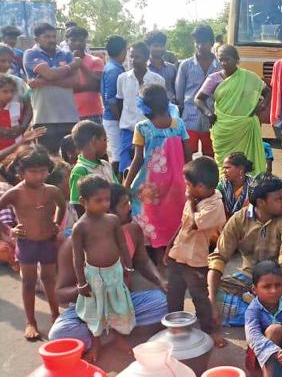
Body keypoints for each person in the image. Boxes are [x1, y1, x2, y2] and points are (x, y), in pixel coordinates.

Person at [49, 184, 168, 357]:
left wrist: (160, 280)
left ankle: (108, 331)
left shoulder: (133, 229)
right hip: (87, 308)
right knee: (58, 335)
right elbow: (60, 293)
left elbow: (142, 261)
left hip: (122, 301)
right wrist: (90, 287)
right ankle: (110, 332)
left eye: (129, 202)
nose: (130, 208)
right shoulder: (74, 242)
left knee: (162, 302)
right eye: (124, 204)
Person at [208, 174, 282, 327]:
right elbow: (218, 258)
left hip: (281, 281)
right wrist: (211, 300)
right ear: (261, 202)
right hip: (248, 278)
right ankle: (268, 318)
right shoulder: (239, 218)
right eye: (279, 199)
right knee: (207, 293)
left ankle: (258, 315)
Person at [0, 145, 66, 340]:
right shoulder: (15, 193)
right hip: (27, 244)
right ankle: (31, 321)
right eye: (33, 171)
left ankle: (56, 315)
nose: (39, 176)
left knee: (49, 280)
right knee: (28, 282)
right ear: (21, 172)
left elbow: (61, 206)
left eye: (43, 170)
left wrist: (56, 223)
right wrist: (9, 231)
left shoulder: (52, 191)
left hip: (47, 241)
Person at [164, 156, 227, 347]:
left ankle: (210, 331)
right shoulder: (195, 196)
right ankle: (174, 327)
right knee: (173, 293)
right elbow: (183, 223)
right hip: (179, 254)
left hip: (196, 260)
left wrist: (191, 201)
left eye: (189, 185)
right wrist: (171, 243)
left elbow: (192, 224)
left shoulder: (215, 205)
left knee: (200, 297)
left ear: (200, 186)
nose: (186, 188)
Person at [124, 84, 191, 263]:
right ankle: (172, 251)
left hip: (151, 183)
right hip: (177, 181)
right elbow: (188, 154)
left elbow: (138, 159)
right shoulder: (178, 124)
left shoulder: (142, 127)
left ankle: (153, 250)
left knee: (146, 211)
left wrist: (126, 184)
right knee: (174, 214)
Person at [72, 176, 136, 360]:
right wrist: (81, 283)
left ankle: (118, 339)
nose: (104, 204)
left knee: (119, 308)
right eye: (98, 200)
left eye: (107, 199)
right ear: (83, 201)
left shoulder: (112, 220)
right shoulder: (80, 227)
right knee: (95, 312)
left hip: (115, 273)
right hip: (94, 276)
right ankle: (96, 345)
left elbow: (122, 246)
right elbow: (77, 258)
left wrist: (128, 269)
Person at [195, 44, 267, 174]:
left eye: (227, 59)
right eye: (220, 59)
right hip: (223, 129)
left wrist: (261, 106)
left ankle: (247, 192)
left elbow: (267, 91)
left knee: (246, 166)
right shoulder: (214, 78)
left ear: (236, 60)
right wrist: (209, 113)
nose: (223, 63)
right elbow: (198, 99)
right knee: (224, 168)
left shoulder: (249, 77)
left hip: (246, 127)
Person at [23, 22, 80, 154]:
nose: (52, 40)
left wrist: (44, 81)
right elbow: (49, 74)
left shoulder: (66, 54)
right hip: (44, 118)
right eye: (47, 37)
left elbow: (75, 81)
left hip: (69, 116)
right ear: (37, 39)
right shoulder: (31, 54)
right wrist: (70, 67)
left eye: (54, 36)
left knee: (71, 158)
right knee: (48, 160)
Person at [115, 42, 166, 174]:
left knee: (151, 169)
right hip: (128, 131)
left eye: (136, 57)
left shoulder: (157, 80)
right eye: (131, 56)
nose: (132, 60)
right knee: (125, 169)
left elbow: (161, 107)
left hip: (150, 132)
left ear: (146, 57)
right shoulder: (122, 78)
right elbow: (120, 102)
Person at [176, 24, 221, 157]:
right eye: (198, 42)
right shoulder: (185, 65)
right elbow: (179, 93)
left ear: (212, 43)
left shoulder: (220, 66)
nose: (201, 46)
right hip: (189, 118)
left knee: (212, 156)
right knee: (187, 156)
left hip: (213, 119)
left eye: (205, 42)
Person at [68, 120, 117, 215]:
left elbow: (117, 189)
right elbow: (77, 205)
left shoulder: (105, 164)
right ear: (94, 140)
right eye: (104, 140)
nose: (106, 145)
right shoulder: (80, 170)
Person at [65, 26, 105, 125]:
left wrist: (81, 65)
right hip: (68, 115)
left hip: (93, 113)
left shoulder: (96, 61)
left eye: (81, 40)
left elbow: (96, 86)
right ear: (67, 41)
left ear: (85, 41)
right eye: (73, 40)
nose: (77, 43)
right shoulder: (62, 62)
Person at [101, 35, 127, 174]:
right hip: (114, 118)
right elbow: (111, 100)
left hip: (114, 117)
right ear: (123, 51)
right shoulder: (114, 70)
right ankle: (116, 184)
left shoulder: (113, 67)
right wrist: (121, 119)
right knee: (117, 154)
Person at [144, 30, 178, 103]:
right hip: (148, 111)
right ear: (148, 47)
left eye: (162, 46)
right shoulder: (143, 69)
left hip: (170, 110)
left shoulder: (172, 68)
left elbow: (176, 91)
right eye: (156, 46)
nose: (159, 49)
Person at [219, 152, 254, 217]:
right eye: (224, 168)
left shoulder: (254, 187)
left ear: (241, 169)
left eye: (227, 168)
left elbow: (253, 213)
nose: (224, 171)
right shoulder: (221, 186)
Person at [0, 75, 27, 150]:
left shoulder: (17, 107)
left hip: (16, 150)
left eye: (12, 91)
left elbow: (22, 128)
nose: (10, 95)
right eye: (5, 91)